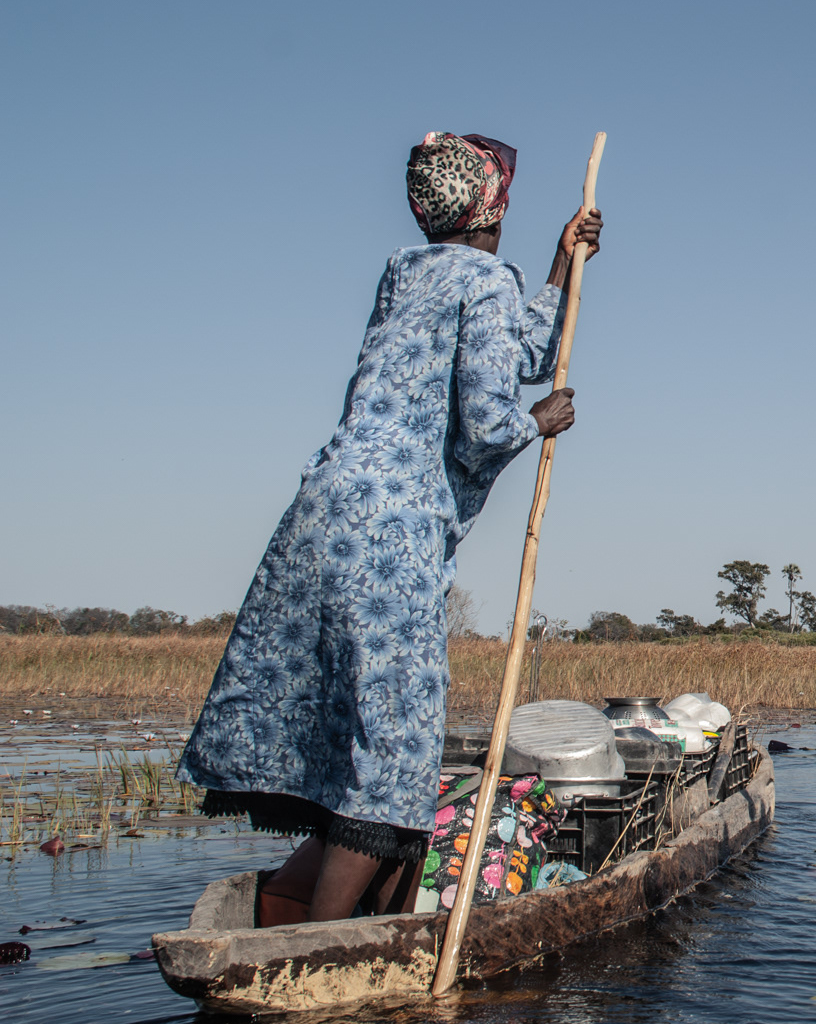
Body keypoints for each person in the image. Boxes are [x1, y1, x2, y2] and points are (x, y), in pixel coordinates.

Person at [178, 132, 603, 925]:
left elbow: (515, 349)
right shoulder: (485, 281)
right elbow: (486, 418)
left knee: (366, 739)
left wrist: (559, 266)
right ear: (494, 205)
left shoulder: (404, 271)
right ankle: (317, 950)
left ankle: (366, 928)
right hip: (390, 532)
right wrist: (536, 421)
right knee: (394, 760)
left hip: (322, 509)